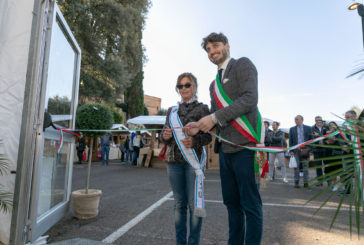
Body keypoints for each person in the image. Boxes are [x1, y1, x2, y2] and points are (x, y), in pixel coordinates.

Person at [186, 32, 263, 245]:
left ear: (227, 46)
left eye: (216, 46)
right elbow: (212, 114)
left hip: (244, 146)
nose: (212, 52)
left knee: (251, 205)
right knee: (231, 204)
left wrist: (214, 117)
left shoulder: (242, 65)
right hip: (225, 151)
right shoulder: (213, 85)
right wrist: (198, 127)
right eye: (208, 50)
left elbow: (250, 98)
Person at [161, 72, 212, 245]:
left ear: (195, 87)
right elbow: (163, 136)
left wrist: (195, 140)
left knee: (194, 205)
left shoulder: (203, 109)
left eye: (187, 85)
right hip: (173, 162)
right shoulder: (171, 111)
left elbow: (209, 137)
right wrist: (166, 136)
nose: (184, 89)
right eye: (180, 86)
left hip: (193, 163)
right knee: (178, 205)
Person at [289, 115, 313, 188]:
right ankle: (296, 182)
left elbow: (311, 139)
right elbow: (291, 140)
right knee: (296, 167)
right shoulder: (292, 129)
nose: (296, 121)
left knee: (305, 167)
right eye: (295, 119)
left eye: (297, 119)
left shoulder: (308, 128)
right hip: (296, 150)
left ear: (302, 120)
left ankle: (306, 182)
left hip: (306, 150)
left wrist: (310, 150)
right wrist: (291, 150)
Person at [323, 121, 344, 190]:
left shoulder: (339, 133)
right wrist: (325, 141)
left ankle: (343, 185)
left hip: (337, 154)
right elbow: (323, 142)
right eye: (330, 125)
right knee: (332, 171)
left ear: (335, 126)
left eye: (332, 125)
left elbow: (341, 143)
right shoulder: (327, 133)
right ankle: (335, 185)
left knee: (340, 171)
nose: (331, 127)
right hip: (329, 154)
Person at [311, 116, 327, 186]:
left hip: (326, 150)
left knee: (327, 166)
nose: (318, 121)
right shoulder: (312, 128)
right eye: (316, 120)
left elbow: (328, 136)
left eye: (319, 120)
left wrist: (319, 135)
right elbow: (311, 138)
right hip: (316, 150)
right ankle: (320, 181)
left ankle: (329, 181)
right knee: (318, 166)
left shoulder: (326, 127)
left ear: (322, 120)